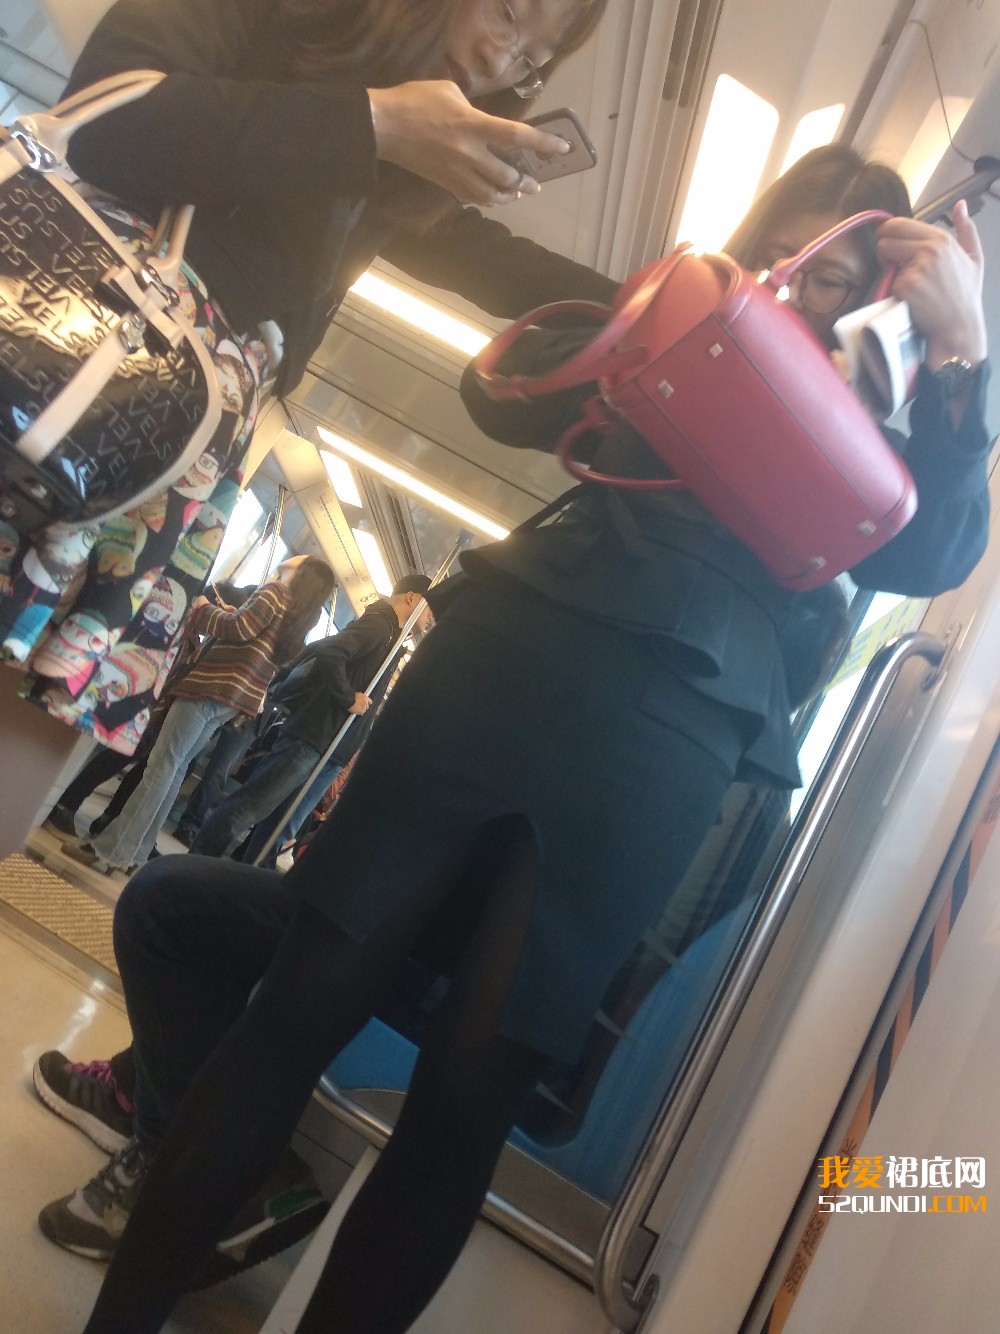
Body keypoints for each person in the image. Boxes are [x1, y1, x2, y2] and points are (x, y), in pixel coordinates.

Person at [75, 143, 990, 1334]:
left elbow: (932, 556)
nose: (796, 288)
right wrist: (655, 323)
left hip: (659, 725)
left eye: (831, 275)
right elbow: (502, 395)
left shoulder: (888, 401)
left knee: (465, 1097)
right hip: (528, 662)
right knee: (298, 1008)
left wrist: (962, 350)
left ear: (878, 294)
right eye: (781, 254)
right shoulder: (693, 312)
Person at [32, 579, 846, 1266]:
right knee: (238, 918)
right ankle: (143, 1091)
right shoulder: (745, 802)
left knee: (169, 910)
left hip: (460, 993)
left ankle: (189, 1155)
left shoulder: (656, 759)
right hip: (510, 1009)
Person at [4, 0, 614, 751]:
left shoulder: (390, 161)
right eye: (509, 14)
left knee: (40, 721)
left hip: (188, 433)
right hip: (71, 346)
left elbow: (478, 253)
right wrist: (373, 123)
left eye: (531, 63)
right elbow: (110, 114)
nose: (500, 59)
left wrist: (639, 302)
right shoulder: (295, 28)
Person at [61, 555, 335, 874]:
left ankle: (110, 850)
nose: (295, 556)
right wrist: (233, 615)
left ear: (303, 571)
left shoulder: (275, 593)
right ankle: (136, 853)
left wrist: (204, 608)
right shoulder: (299, 617)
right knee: (175, 770)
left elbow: (236, 629)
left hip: (212, 685)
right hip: (235, 699)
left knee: (161, 766)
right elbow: (255, 637)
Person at [191, 575, 433, 863]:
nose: (432, 616)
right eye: (430, 605)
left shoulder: (393, 637)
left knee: (279, 826)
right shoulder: (380, 625)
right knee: (253, 804)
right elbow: (333, 651)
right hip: (314, 736)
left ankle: (243, 875)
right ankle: (196, 862)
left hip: (333, 747)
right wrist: (348, 697)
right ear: (411, 597)